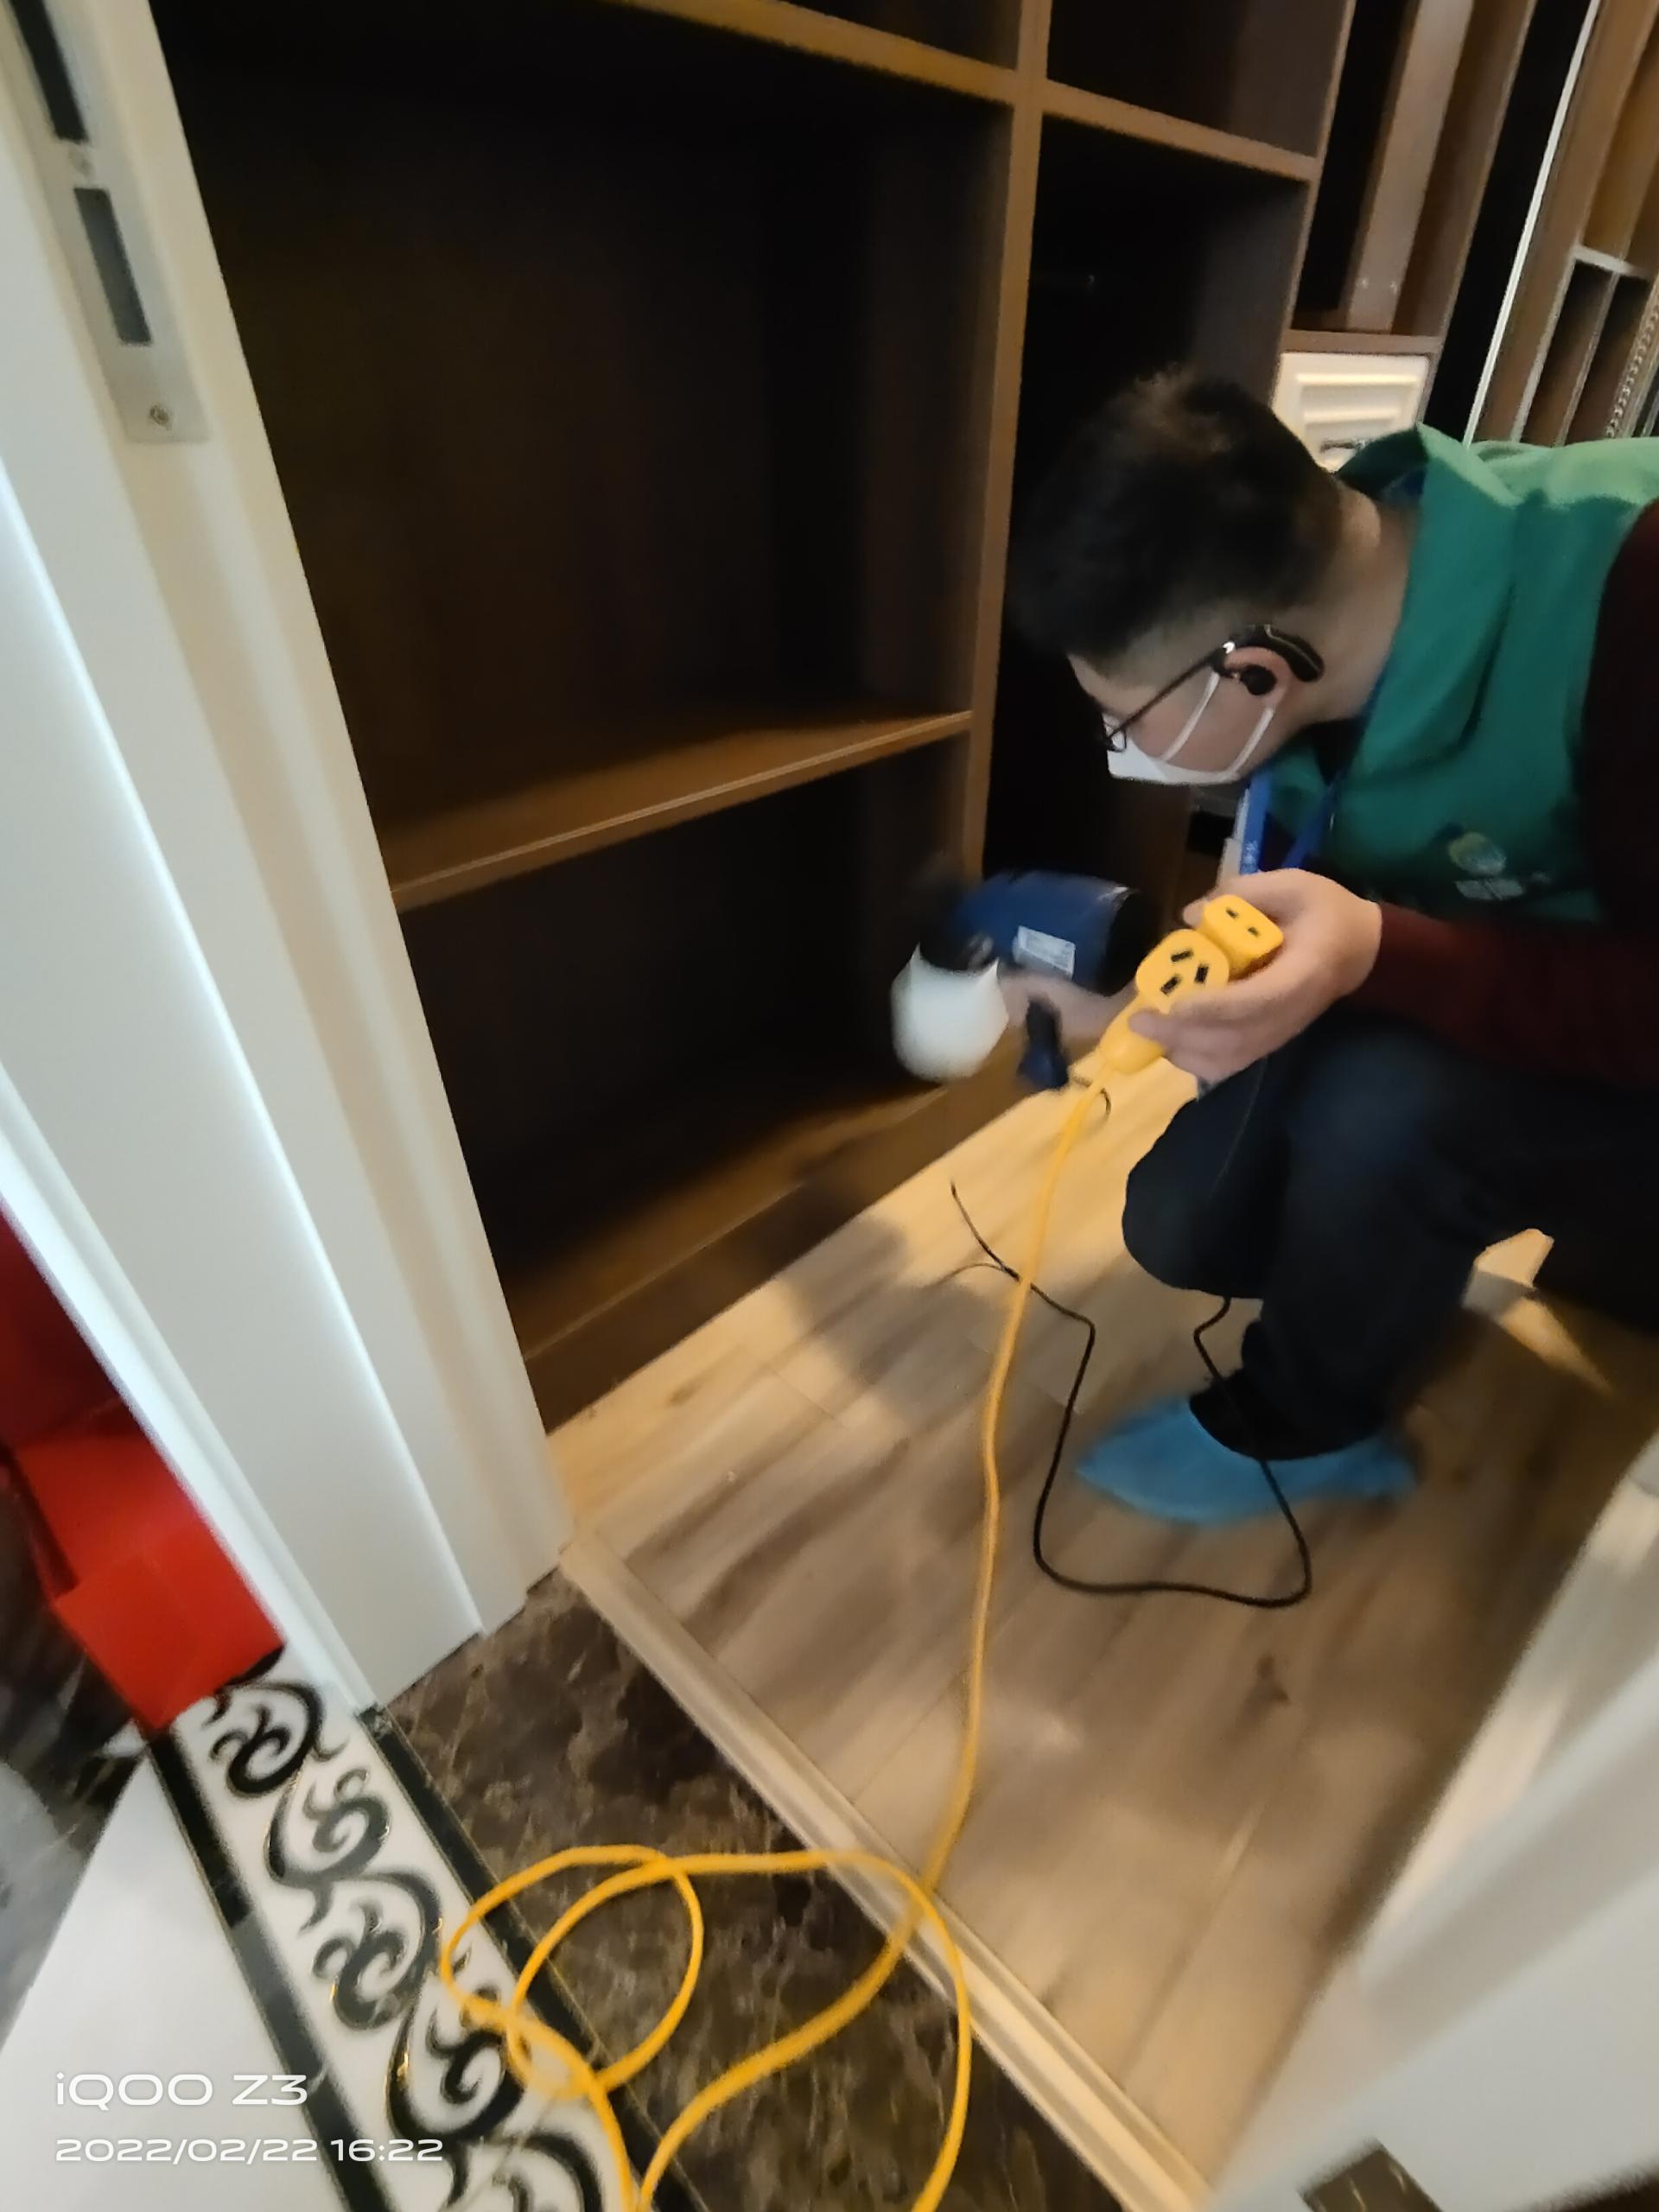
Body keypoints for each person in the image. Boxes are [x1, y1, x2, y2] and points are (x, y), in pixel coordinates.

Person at [1007, 367, 1659, 1525]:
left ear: (1252, 671)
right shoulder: (1339, 616)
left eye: (1125, 723)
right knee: (1187, 1220)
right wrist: (1142, 999)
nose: (1122, 750)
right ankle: (1386, 1261)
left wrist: (1375, 953)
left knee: (1383, 1111)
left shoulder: (1630, 593)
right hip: (1506, 981)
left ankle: (1308, 1425)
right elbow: (1307, 906)